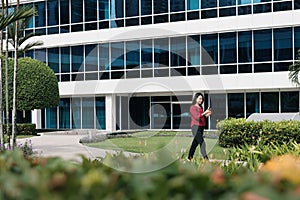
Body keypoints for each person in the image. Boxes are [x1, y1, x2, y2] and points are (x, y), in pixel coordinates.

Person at [188, 93, 212, 161]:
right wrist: (205, 112)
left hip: (201, 127)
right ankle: (206, 159)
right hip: (195, 127)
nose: (201, 100)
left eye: (202, 99)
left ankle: (189, 157)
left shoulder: (200, 107)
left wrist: (207, 114)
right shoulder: (193, 107)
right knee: (202, 143)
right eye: (200, 98)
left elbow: (202, 117)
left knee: (195, 144)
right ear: (196, 99)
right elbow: (197, 117)